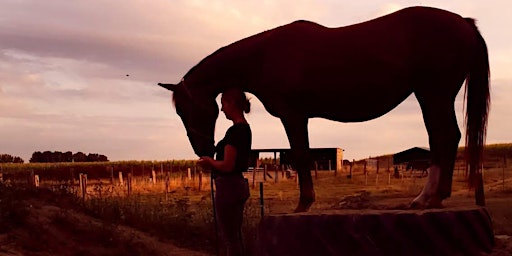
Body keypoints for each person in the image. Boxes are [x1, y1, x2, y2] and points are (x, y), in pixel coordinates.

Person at [197, 88, 251, 256]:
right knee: (235, 236)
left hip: (229, 187)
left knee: (230, 239)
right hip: (237, 186)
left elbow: (227, 166)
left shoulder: (235, 132)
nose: (222, 109)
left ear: (232, 104)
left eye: (223, 104)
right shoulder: (244, 130)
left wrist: (209, 162)